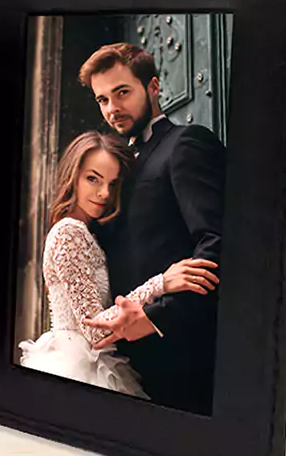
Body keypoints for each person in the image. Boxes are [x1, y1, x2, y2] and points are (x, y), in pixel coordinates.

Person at [81, 42, 227, 414]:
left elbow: (218, 243)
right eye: (102, 100)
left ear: (155, 87)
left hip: (181, 355)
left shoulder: (185, 145)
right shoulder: (116, 169)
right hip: (124, 363)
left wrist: (154, 318)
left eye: (122, 92)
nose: (112, 108)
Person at [19, 131, 218, 397]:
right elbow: (94, 331)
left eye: (112, 184)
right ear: (72, 176)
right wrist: (161, 283)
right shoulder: (68, 232)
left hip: (100, 362)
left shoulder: (90, 233)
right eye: (93, 179)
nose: (103, 193)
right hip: (78, 365)